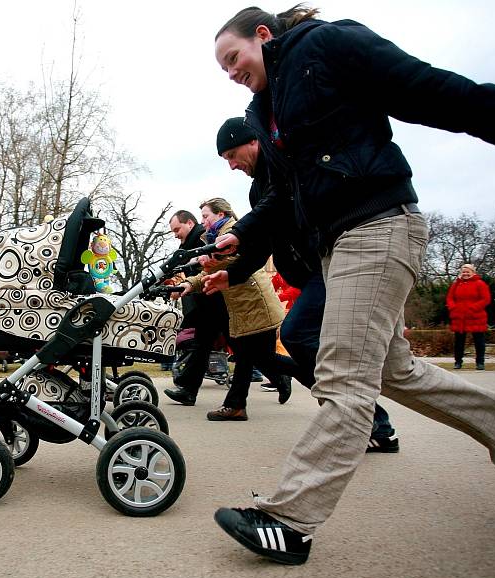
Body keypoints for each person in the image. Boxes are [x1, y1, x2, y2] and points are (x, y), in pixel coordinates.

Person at [210, 5, 495, 565]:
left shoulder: (325, 46)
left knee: (343, 378)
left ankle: (291, 519)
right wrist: (242, 242)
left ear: (263, 35)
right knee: (393, 371)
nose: (231, 71)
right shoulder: (268, 109)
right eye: (223, 68)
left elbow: (429, 89)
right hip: (341, 244)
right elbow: (282, 197)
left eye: (233, 58)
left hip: (378, 226)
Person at [210, 116, 400, 451]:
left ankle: (365, 418)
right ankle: (367, 421)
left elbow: (277, 204)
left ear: (252, 141)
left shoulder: (281, 167)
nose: (231, 165)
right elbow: (264, 243)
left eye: (231, 155)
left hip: (330, 264)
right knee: (319, 345)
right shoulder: (258, 186)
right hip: (313, 271)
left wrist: (240, 232)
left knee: (299, 335)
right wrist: (232, 274)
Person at [177, 197, 301, 420]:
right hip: (243, 305)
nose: (202, 222)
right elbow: (211, 271)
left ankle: (317, 379)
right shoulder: (213, 237)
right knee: (252, 356)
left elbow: (237, 261)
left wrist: (209, 263)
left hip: (254, 304)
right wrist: (188, 284)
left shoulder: (233, 232)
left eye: (206, 216)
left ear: (221, 215)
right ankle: (237, 404)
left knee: (261, 358)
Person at [163, 209, 232, 406]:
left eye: (177, 229)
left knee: (239, 345)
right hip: (207, 301)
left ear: (190, 224)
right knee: (202, 344)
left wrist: (183, 283)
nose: (176, 234)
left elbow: (205, 269)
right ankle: (188, 389)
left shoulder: (201, 239)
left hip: (215, 299)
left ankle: (280, 375)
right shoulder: (190, 242)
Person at [446, 264, 491, 370]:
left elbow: (486, 299)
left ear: (473, 272)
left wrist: (473, 308)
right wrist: (453, 308)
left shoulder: (480, 284)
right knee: (459, 341)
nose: (465, 274)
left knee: (479, 340)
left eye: (468, 272)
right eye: (463, 272)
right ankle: (458, 362)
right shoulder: (456, 284)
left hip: (475, 316)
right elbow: (449, 298)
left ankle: (480, 362)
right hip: (459, 316)